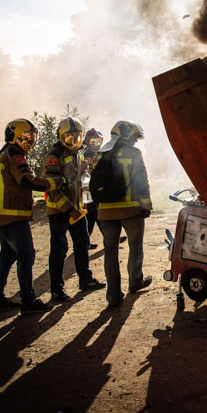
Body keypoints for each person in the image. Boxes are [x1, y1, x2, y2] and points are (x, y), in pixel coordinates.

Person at [0, 119, 64, 314]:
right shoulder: (15, 156)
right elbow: (27, 181)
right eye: (28, 136)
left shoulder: (5, 153)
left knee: (7, 256)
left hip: (1, 216)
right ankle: (28, 300)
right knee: (26, 255)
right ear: (17, 135)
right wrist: (56, 182)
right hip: (13, 217)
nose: (31, 141)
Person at [42, 117, 105, 302]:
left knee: (82, 243)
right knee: (59, 249)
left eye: (77, 137)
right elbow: (53, 189)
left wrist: (84, 203)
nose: (73, 141)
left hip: (77, 210)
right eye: (69, 137)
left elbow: (80, 182)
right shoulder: (54, 157)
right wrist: (70, 209)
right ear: (60, 136)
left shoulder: (77, 154)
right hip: (59, 211)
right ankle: (56, 289)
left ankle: (85, 280)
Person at [95, 120, 153, 308]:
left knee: (110, 253)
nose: (136, 141)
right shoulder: (134, 153)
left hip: (105, 214)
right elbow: (142, 182)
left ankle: (113, 295)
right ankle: (135, 282)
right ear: (128, 135)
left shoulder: (101, 153)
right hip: (131, 211)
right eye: (135, 137)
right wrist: (146, 206)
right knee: (135, 247)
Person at [82, 127, 104, 249]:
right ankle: (85, 242)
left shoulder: (96, 153)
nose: (97, 144)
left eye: (99, 141)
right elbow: (90, 172)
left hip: (91, 189)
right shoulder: (88, 154)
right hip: (88, 189)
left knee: (93, 215)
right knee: (92, 215)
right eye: (94, 141)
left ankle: (86, 242)